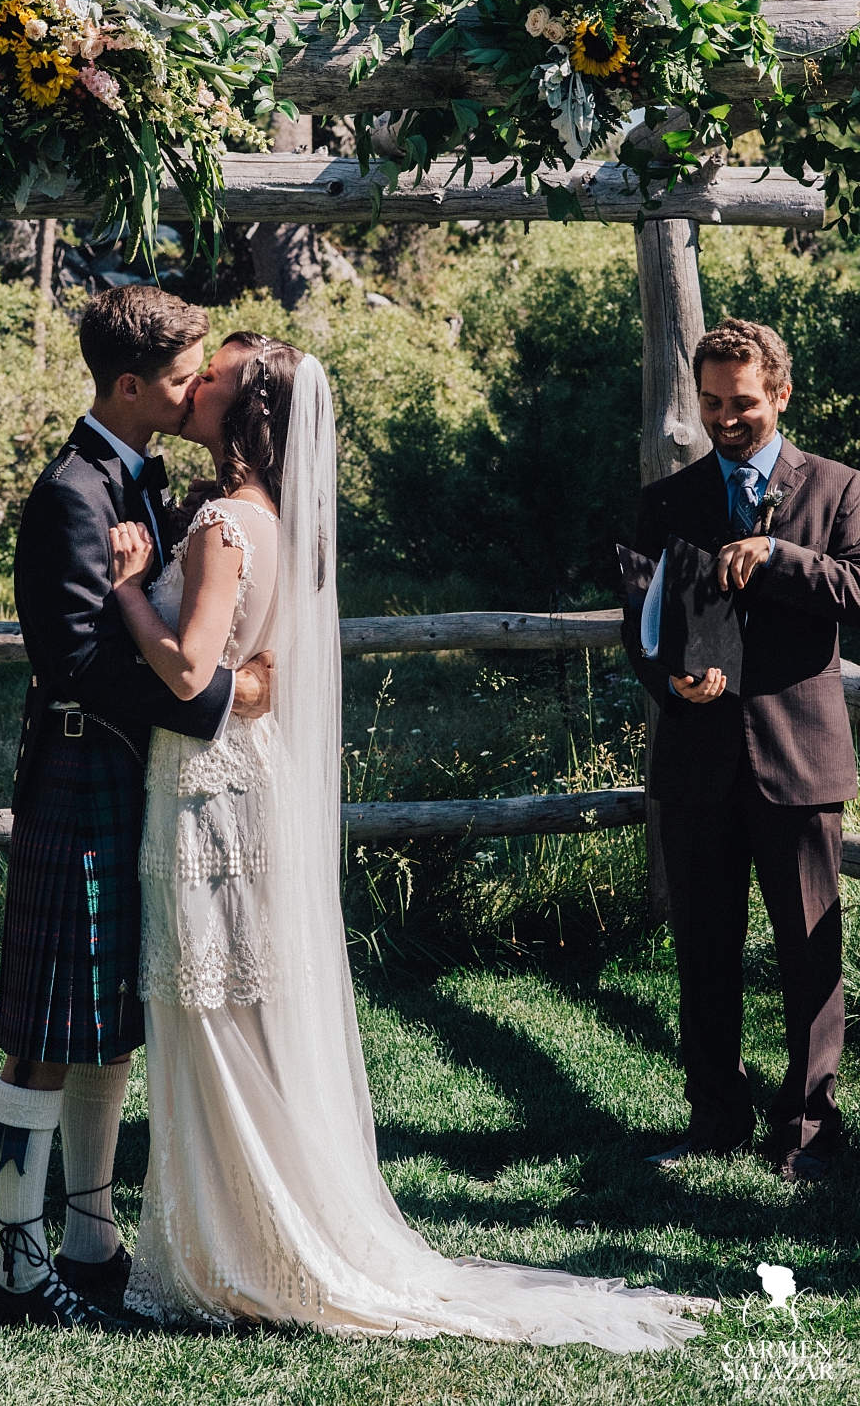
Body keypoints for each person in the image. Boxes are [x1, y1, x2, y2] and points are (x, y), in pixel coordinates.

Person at [106, 332, 707, 1349]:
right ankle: (240, 1242)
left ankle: (247, 1252)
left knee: (212, 1010)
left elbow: (186, 669)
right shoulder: (278, 521)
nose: (197, 381)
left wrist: (127, 588)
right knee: (230, 1011)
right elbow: (261, 673)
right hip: (237, 778)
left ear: (247, 410)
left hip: (212, 797)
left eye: (217, 373)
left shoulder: (222, 521)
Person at [0, 287, 273, 1329]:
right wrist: (207, 695)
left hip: (125, 773)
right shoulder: (73, 491)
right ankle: (21, 1272)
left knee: (104, 1021)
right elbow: (71, 660)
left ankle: (90, 1240)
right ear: (129, 386)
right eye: (188, 371)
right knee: (45, 1027)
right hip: (79, 769)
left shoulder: (139, 477)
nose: (200, 386)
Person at [624, 318, 858, 1182]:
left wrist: (778, 556)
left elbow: (859, 587)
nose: (727, 417)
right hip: (695, 763)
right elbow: (640, 624)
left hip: (798, 760)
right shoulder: (668, 498)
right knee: (705, 950)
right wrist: (667, 682)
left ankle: (806, 1130)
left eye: (744, 403)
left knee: (809, 955)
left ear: (782, 393)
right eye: (712, 401)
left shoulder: (837, 489)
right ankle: (714, 1115)